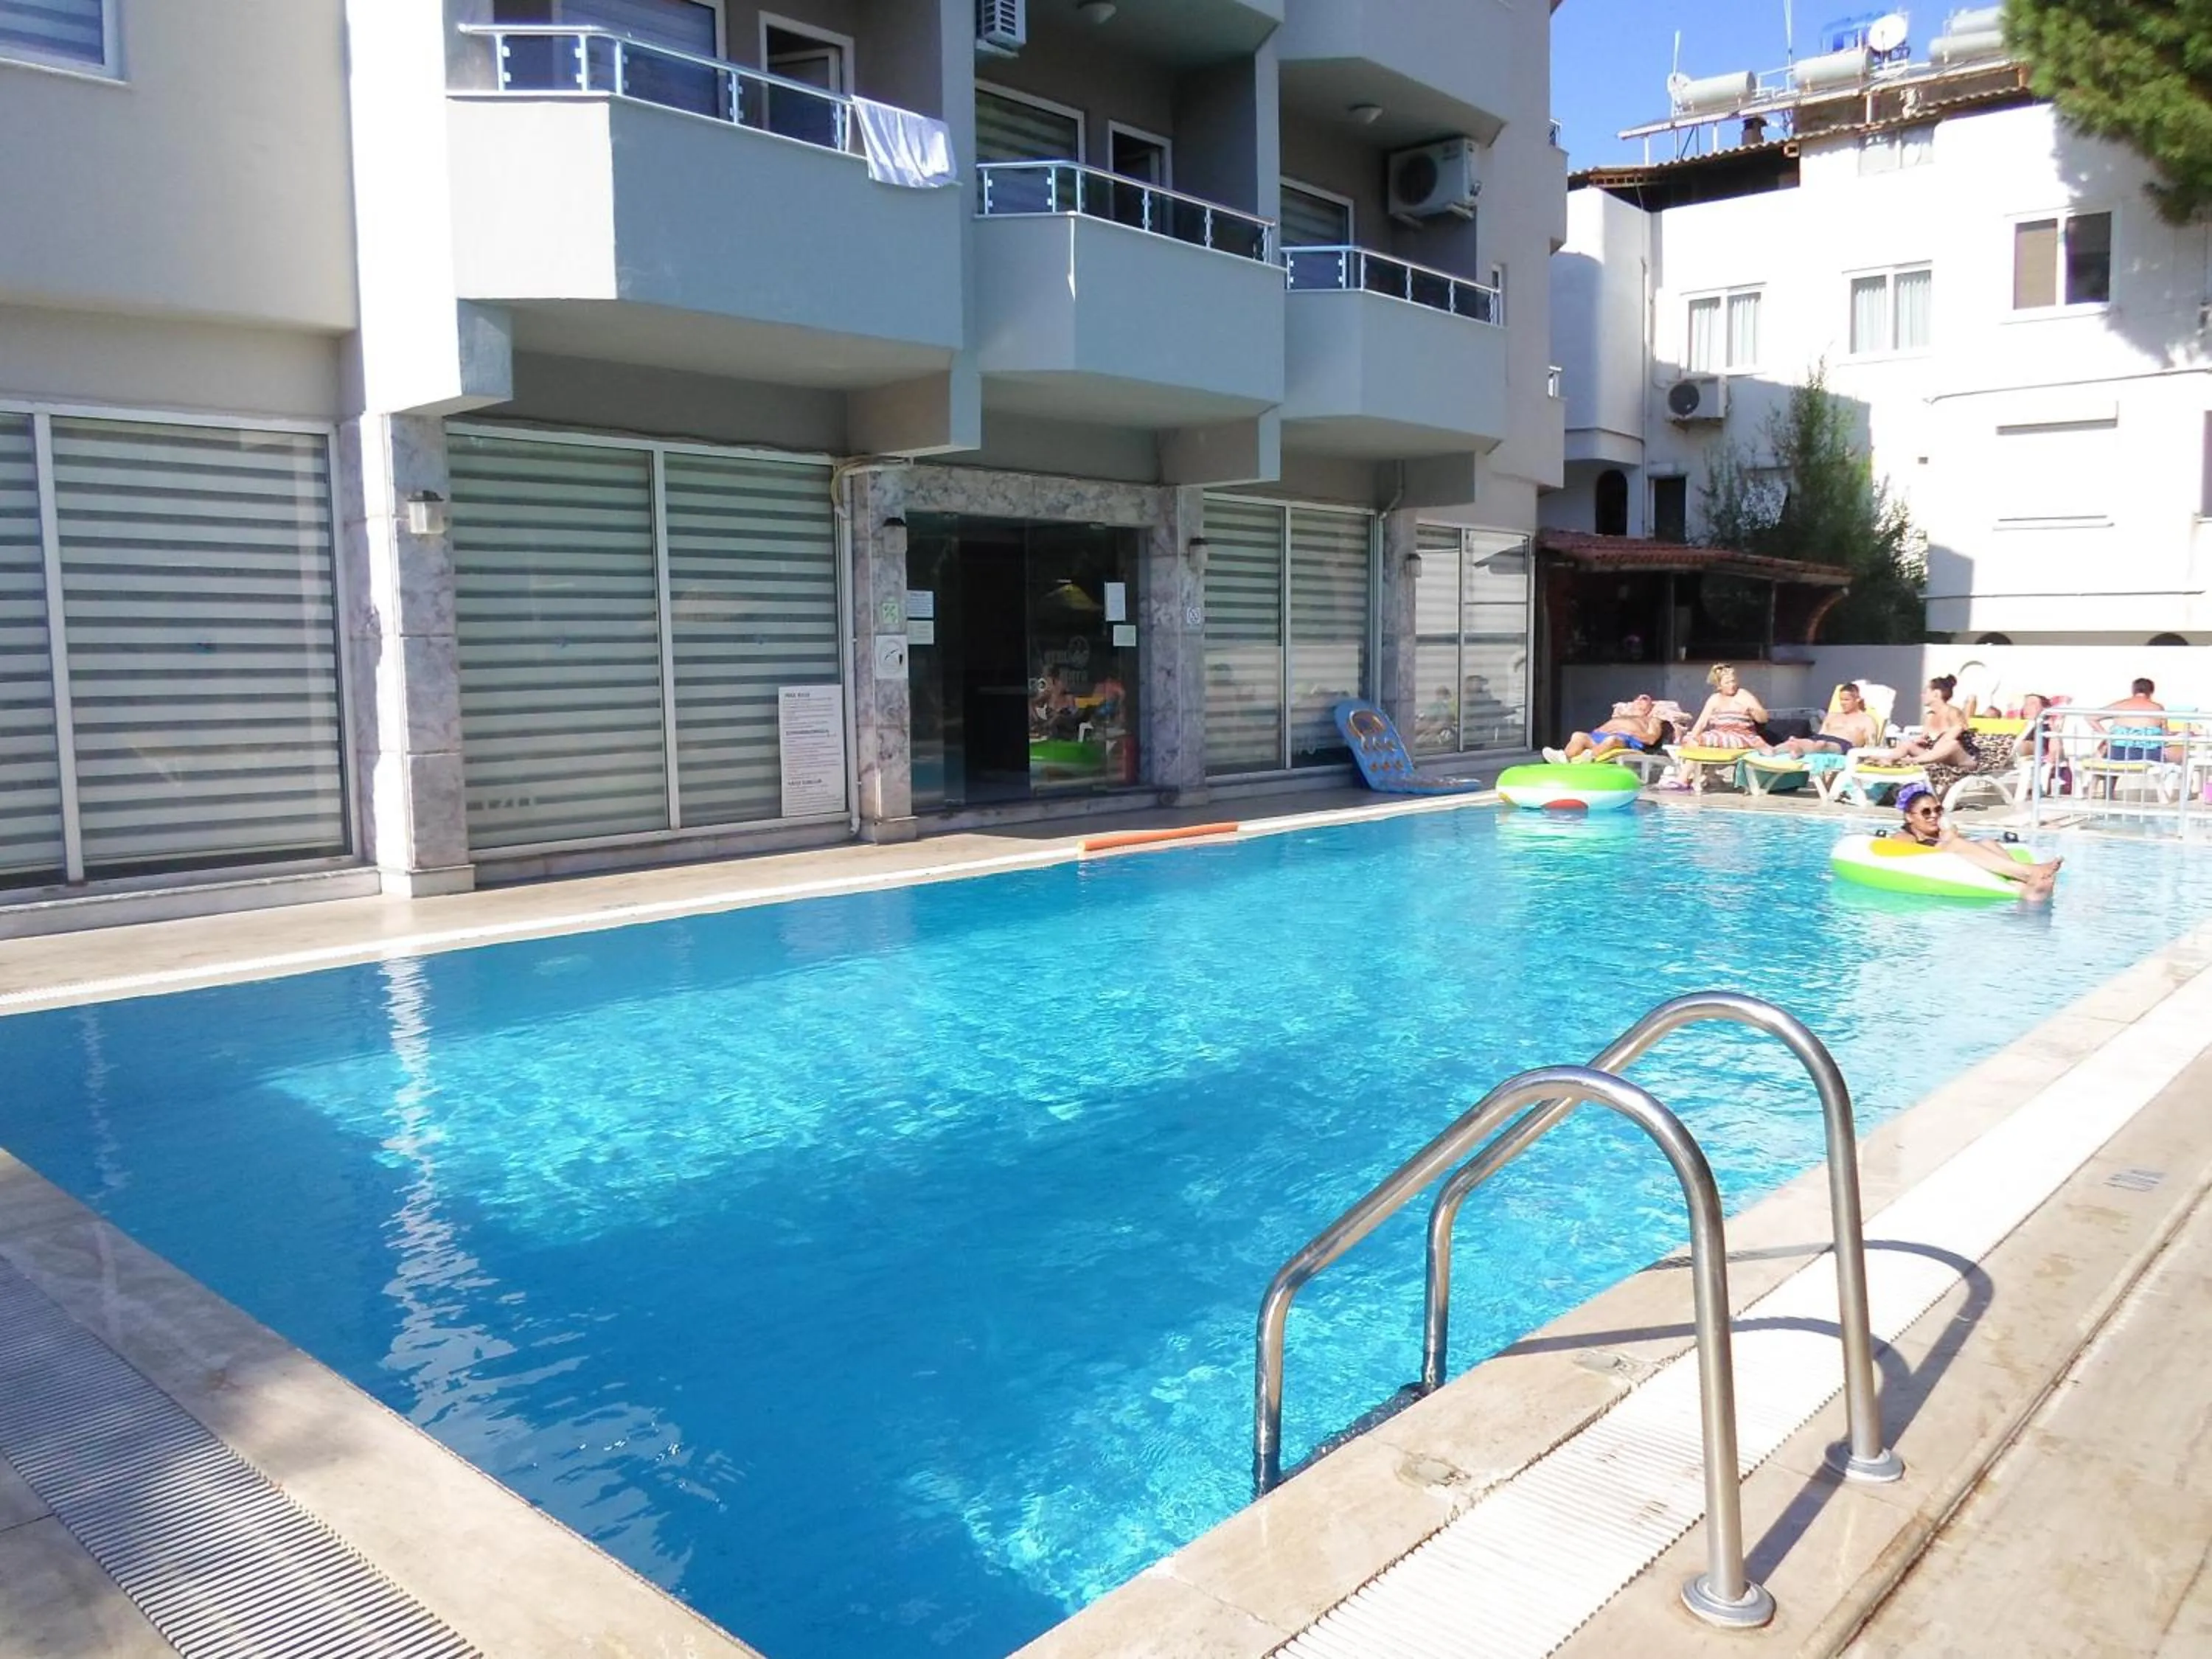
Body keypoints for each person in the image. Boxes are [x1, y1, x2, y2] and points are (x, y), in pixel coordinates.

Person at [1890, 782, 2062, 902]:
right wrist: (1947, 841)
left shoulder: (1942, 832)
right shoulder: (1905, 836)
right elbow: (1905, 859)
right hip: (1936, 874)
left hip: (1962, 867)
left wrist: (1949, 837)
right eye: (1926, 812)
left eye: (1938, 810)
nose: (1934, 815)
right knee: (1955, 844)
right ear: (1909, 817)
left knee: (1987, 842)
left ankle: (2024, 886)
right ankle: (2028, 873)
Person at [1679, 662, 1767, 790]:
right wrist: (1692, 737)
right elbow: (1702, 722)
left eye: (1733, 681)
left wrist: (1754, 710)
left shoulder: (1743, 695)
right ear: (1719, 686)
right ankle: (1695, 776)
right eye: (1727, 683)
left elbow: (1763, 718)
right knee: (1692, 740)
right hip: (1719, 735)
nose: (1732, 685)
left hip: (1743, 736)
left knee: (1704, 740)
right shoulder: (1714, 699)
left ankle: (1683, 779)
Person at [1758, 681, 1879, 757]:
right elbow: (1820, 734)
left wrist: (1870, 756)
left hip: (1844, 745)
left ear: (1857, 700)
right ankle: (1773, 751)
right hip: (1820, 740)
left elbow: (1872, 743)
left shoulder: (1867, 720)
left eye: (1846, 700)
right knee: (1795, 740)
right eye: (1841, 700)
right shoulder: (1832, 715)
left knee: (1821, 745)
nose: (1843, 703)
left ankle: (1800, 750)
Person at [1544, 692, 1665, 764]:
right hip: (1600, 737)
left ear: (1651, 705)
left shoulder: (1652, 719)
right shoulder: (1622, 716)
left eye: (1644, 699)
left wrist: (1629, 732)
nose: (1639, 700)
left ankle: (1588, 758)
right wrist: (1600, 731)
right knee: (1578, 735)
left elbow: (1651, 739)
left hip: (1625, 739)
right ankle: (1564, 757)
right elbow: (1598, 730)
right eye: (1637, 698)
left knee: (1611, 740)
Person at [2103, 678, 2167, 761]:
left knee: (2102, 748)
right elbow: (2165, 732)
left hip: (2118, 755)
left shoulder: (2120, 705)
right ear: (2151, 691)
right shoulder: (2157, 708)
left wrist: (2105, 735)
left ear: (2133, 690)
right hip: (2149, 756)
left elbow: (2090, 717)